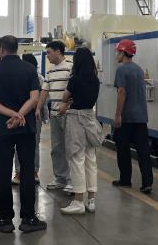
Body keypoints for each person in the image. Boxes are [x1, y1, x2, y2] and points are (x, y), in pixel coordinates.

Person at [0, 35, 46, 234]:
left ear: (1, 50)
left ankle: (5, 218)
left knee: (2, 172)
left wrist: (11, 114)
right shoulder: (29, 70)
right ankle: (28, 218)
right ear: (16, 49)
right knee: (27, 171)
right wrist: (20, 114)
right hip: (25, 127)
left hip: (2, 128)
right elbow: (34, 98)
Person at [58, 47, 101, 215]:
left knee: (77, 158)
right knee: (91, 158)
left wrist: (67, 100)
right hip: (90, 117)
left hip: (76, 118)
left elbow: (64, 97)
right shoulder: (95, 80)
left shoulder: (75, 79)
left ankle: (78, 201)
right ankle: (91, 200)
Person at [112, 39, 153, 194]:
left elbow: (122, 92)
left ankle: (125, 180)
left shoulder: (121, 70)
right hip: (141, 117)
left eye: (118, 52)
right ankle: (147, 182)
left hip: (127, 117)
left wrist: (118, 114)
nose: (116, 54)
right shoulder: (139, 69)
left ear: (123, 52)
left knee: (123, 149)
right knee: (143, 151)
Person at [37, 40, 73, 192]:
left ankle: (72, 181)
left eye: (49, 52)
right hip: (54, 115)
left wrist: (67, 105)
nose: (47, 56)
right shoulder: (50, 71)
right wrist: (38, 108)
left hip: (68, 114)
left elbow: (75, 89)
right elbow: (45, 91)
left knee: (70, 148)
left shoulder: (71, 67)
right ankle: (60, 178)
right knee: (56, 148)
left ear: (58, 51)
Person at [12, 53, 47, 185]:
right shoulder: (19, 76)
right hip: (21, 114)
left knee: (33, 144)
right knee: (21, 143)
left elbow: (43, 98)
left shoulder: (39, 78)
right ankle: (20, 172)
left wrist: (37, 109)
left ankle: (32, 172)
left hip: (34, 115)